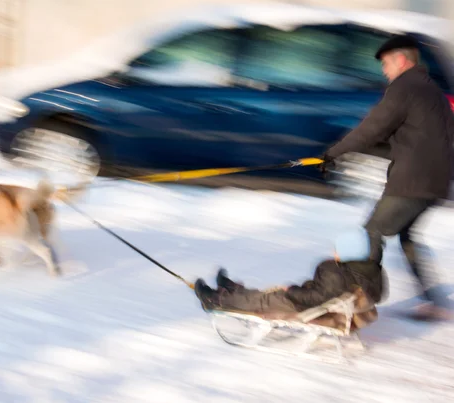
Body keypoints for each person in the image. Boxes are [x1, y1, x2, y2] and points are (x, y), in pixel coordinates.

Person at [320, 34, 454, 319]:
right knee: (407, 236)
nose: (384, 70)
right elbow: (409, 137)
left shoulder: (404, 88)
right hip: (436, 183)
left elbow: (373, 127)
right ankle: (434, 302)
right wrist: (354, 151)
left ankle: (353, 304)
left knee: (370, 235)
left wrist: (334, 152)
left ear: (402, 60)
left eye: (386, 64)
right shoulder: (433, 92)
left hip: (412, 183)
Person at [194, 228, 385, 316]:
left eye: (336, 249)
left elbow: (318, 297)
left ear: (347, 253)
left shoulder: (336, 273)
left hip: (306, 307)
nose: (333, 252)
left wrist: (292, 291)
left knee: (263, 300)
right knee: (268, 294)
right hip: (327, 305)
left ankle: (216, 300)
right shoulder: (370, 271)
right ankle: (232, 289)